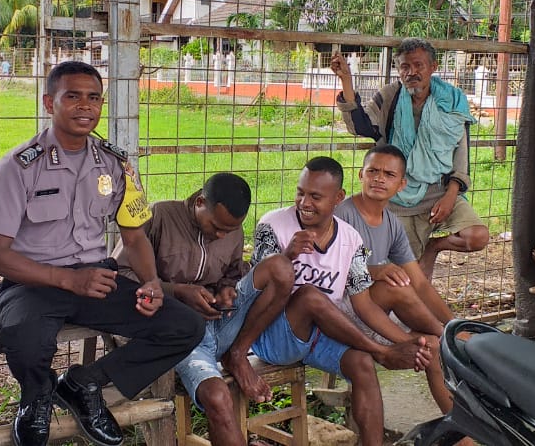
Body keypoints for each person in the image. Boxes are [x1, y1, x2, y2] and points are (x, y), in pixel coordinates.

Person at [0, 60, 205, 446]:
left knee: (185, 326)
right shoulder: (18, 166)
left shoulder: (115, 164)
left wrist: (151, 282)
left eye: (94, 98)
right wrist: (67, 279)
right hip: (32, 282)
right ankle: (36, 397)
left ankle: (84, 384)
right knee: (24, 335)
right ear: (49, 102)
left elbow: (134, 237)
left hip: (95, 280)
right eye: (73, 97)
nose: (85, 106)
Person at [250, 156, 434, 446]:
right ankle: (382, 352)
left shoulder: (351, 239)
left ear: (338, 198)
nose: (304, 202)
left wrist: (408, 343)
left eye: (315, 196)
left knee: (361, 363)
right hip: (272, 334)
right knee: (310, 295)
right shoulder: (272, 225)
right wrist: (286, 256)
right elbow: (256, 289)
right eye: (300, 192)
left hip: (318, 336)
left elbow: (363, 304)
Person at [115, 172, 293, 446]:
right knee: (217, 395)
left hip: (222, 323)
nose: (222, 234)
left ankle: (238, 353)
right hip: (179, 335)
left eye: (230, 230)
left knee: (280, 267)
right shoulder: (160, 217)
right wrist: (178, 292)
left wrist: (226, 290)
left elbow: (232, 273)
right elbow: (122, 275)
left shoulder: (230, 228)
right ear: (200, 202)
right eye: (217, 227)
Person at [330, 39, 490, 280]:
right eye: (405, 67)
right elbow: (361, 126)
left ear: (433, 67)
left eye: (419, 65)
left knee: (477, 236)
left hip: (439, 191)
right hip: (398, 196)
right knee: (407, 277)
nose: (412, 72)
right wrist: (347, 81)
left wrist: (450, 195)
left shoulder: (452, 100)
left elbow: (461, 151)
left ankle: (433, 248)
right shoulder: (390, 96)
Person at [333, 144, 458, 415]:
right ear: (360, 175)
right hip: (339, 315)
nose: (379, 178)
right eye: (373, 171)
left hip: (373, 315)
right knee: (395, 286)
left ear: (401, 184)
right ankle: (452, 339)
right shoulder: (342, 216)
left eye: (389, 175)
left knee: (432, 346)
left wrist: (454, 321)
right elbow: (328, 276)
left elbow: (421, 284)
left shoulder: (391, 223)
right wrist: (375, 271)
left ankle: (460, 435)